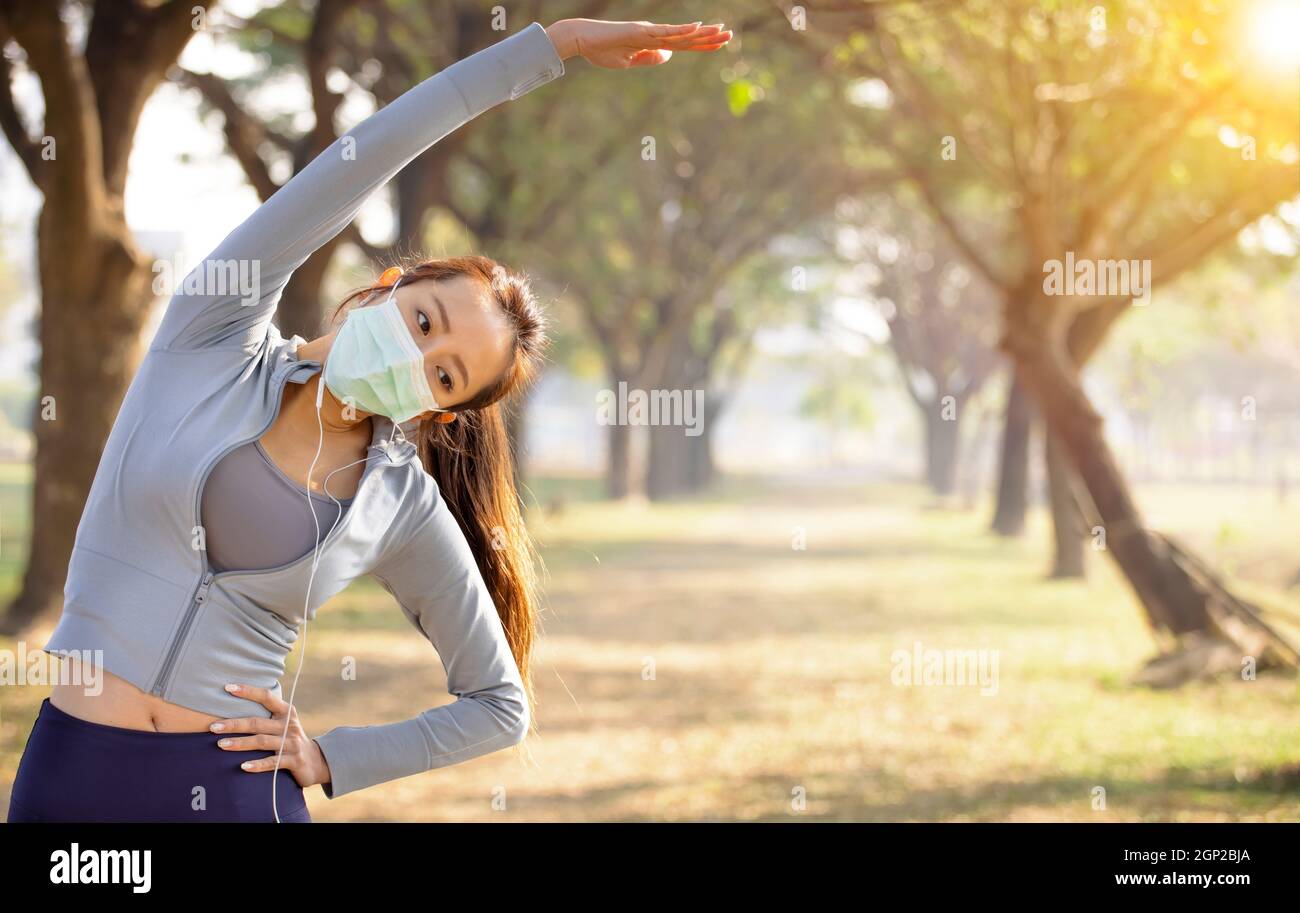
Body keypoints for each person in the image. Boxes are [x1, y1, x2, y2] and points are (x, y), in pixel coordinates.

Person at [6, 16, 731, 823]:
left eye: (444, 374)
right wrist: (549, 47)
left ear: (442, 411)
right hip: (73, 769)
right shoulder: (211, 337)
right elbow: (373, 154)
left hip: (235, 798)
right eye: (424, 321)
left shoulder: (399, 503)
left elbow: (499, 703)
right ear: (390, 283)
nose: (417, 357)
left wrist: (329, 756)